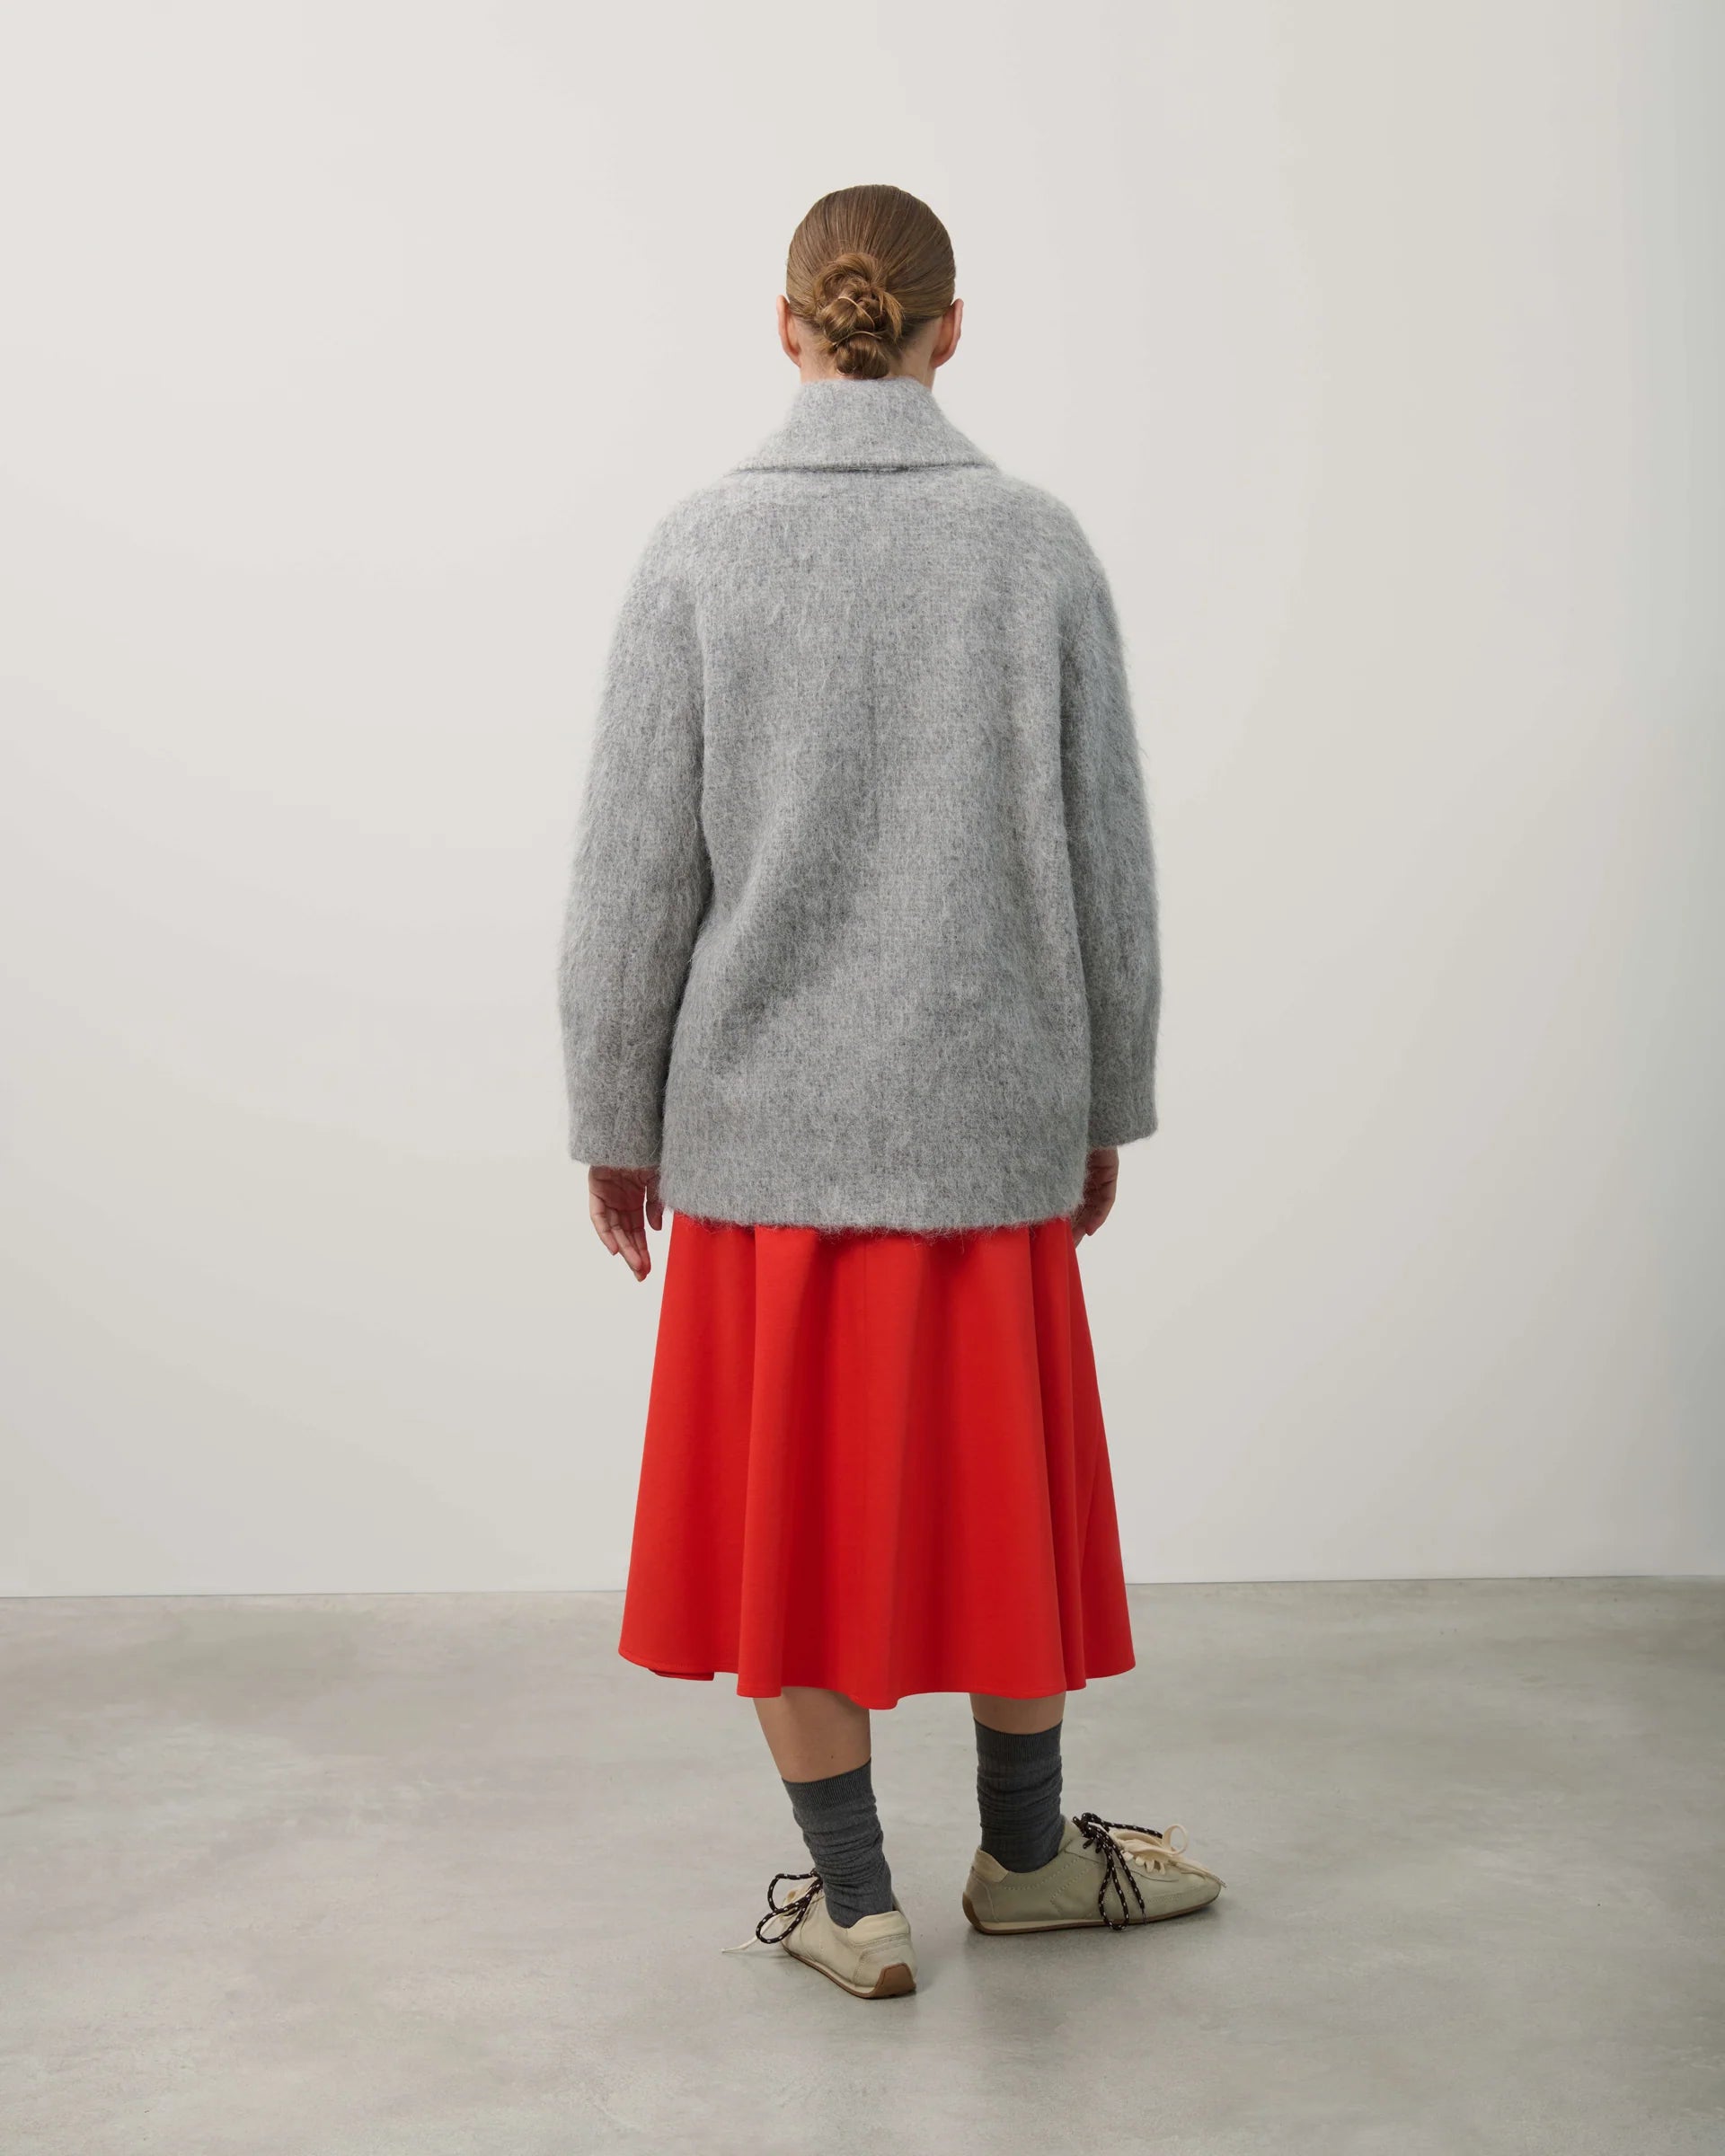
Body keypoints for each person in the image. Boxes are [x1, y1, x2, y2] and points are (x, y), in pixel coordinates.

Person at [558, 183, 1222, 2001]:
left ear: (788, 328)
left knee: (788, 1519)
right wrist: (1109, 1094)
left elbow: (632, 875)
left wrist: (615, 1119)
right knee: (1001, 1492)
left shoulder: (699, 549)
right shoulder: (1035, 546)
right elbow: (1112, 865)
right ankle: (1022, 1859)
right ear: (949, 330)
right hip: (983, 1115)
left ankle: (851, 1902)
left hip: (761, 1136)